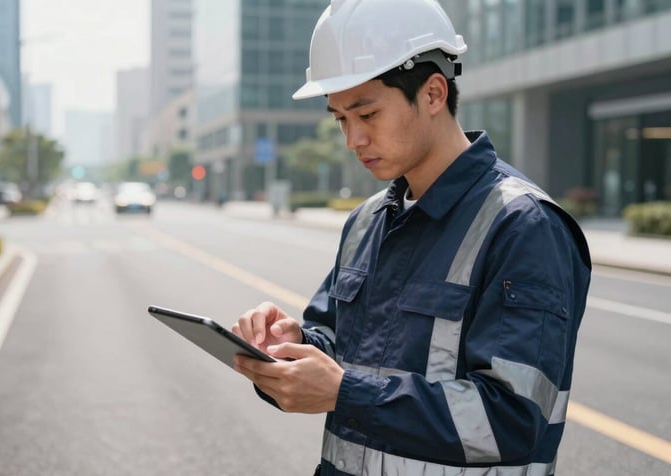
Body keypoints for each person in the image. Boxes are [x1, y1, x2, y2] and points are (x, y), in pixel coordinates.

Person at [232, 0, 592, 475]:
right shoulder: (367, 221)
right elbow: (340, 352)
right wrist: (290, 344)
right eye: (341, 118)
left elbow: (513, 420)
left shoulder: (523, 226)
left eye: (367, 114)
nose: (352, 139)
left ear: (433, 94)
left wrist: (345, 392)